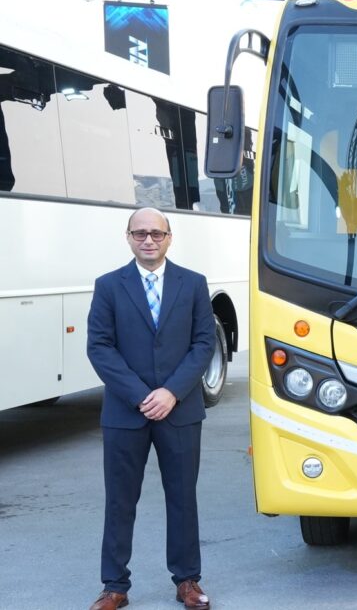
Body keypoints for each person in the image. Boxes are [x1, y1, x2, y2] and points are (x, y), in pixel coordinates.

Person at [86, 207, 216, 610]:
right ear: (128, 237)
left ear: (169, 237)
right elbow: (100, 347)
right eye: (140, 233)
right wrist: (141, 394)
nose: (148, 240)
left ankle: (187, 581)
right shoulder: (109, 286)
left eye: (156, 234)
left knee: (182, 498)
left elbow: (203, 344)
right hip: (127, 413)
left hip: (180, 411)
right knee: (120, 500)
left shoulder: (193, 284)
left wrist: (172, 392)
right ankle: (115, 586)